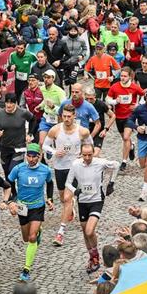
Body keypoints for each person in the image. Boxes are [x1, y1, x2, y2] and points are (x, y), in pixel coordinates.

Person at [43, 104, 92, 246]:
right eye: (64, 116)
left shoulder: (82, 131)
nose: (66, 119)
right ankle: (70, 206)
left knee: (67, 198)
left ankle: (60, 233)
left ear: (74, 116)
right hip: (60, 167)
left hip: (75, 168)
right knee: (63, 198)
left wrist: (83, 158)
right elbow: (45, 146)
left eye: (69, 117)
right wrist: (53, 152)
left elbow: (90, 147)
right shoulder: (55, 130)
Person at [66, 144, 119, 273]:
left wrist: (111, 183)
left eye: (90, 154)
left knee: (90, 231)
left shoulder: (100, 163)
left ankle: (96, 257)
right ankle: (93, 258)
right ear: (81, 154)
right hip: (82, 201)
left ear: (94, 153)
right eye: (85, 155)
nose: (88, 157)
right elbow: (67, 182)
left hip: (96, 200)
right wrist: (75, 191)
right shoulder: (76, 164)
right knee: (85, 232)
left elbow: (116, 165)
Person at [7, 143, 54, 282]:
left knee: (32, 237)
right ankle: (37, 231)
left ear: (39, 156)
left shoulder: (45, 170)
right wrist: (13, 200)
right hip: (22, 207)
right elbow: (8, 183)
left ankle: (26, 269)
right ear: (26, 155)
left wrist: (50, 198)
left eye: (34, 156)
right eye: (29, 155)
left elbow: (50, 183)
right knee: (26, 238)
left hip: (38, 207)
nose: (31, 159)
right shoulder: (18, 169)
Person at [106, 67, 145, 170]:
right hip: (119, 116)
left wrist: (138, 105)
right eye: (121, 76)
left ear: (130, 77)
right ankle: (131, 146)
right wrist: (115, 102)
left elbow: (144, 96)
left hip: (130, 116)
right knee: (124, 138)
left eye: (124, 76)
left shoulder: (134, 87)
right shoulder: (115, 87)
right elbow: (108, 99)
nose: (122, 78)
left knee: (126, 137)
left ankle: (124, 161)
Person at [0, 93, 35, 178]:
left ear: (15, 103)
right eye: (7, 103)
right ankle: (13, 191)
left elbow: (33, 120)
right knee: (7, 173)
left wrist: (30, 134)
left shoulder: (23, 112)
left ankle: (20, 186)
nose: (8, 105)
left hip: (19, 147)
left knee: (12, 170)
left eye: (11, 103)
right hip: (5, 147)